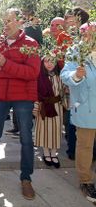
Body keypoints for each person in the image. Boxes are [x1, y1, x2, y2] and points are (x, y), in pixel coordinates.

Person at [0, 8, 40, 200]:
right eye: (4, 21)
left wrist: (6, 64)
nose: (5, 24)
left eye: (10, 20)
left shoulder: (31, 44)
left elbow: (33, 73)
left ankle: (26, 178)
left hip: (23, 96)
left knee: (26, 139)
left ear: (20, 22)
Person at [61, 22, 96, 204]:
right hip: (86, 107)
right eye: (89, 33)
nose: (91, 37)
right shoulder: (76, 51)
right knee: (85, 146)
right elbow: (64, 74)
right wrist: (76, 75)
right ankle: (86, 180)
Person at [33, 56, 65, 168]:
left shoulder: (60, 76)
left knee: (56, 130)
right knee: (44, 130)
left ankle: (54, 154)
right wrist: (36, 107)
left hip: (57, 107)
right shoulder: (39, 76)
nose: (49, 64)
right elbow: (36, 93)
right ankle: (46, 153)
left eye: (52, 61)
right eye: (46, 61)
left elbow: (64, 92)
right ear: (42, 62)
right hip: (43, 107)